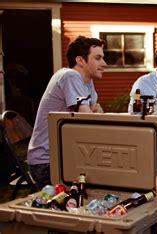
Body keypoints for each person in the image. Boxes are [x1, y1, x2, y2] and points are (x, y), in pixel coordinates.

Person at [28, 36, 106, 188]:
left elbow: (97, 114)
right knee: (101, 182)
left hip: (67, 157)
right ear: (80, 60)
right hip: (47, 162)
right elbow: (90, 119)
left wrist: (93, 111)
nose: (104, 63)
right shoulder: (69, 76)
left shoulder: (87, 81)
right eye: (98, 58)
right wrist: (92, 110)